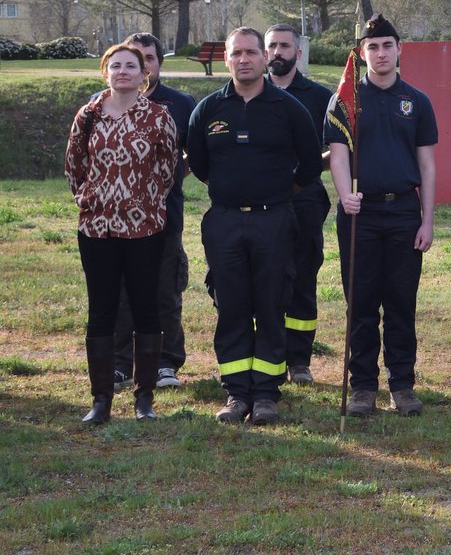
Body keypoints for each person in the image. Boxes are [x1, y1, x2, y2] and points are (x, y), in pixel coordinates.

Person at [187, 27, 322, 425]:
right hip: (225, 222)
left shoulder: (288, 107)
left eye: (251, 52)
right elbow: (198, 164)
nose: (244, 60)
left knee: (270, 304)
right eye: (236, 53)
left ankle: (265, 393)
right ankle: (236, 394)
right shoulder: (208, 110)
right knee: (231, 307)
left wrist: (279, 191)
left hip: (274, 220)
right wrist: (232, 191)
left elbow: (311, 164)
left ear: (264, 58)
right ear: (226, 59)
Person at [328, 14, 437, 417]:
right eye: (372, 47)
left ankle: (402, 384)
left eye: (387, 45)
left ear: (399, 49)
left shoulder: (417, 102)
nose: (380, 53)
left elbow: (427, 166)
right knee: (360, 301)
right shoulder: (347, 99)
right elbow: (338, 154)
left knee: (400, 302)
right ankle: (363, 387)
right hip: (361, 213)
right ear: (362, 53)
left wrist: (427, 220)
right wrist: (345, 196)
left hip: (404, 213)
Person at [65, 44, 177, 424]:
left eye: (132, 65)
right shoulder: (89, 115)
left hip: (143, 227)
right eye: (116, 66)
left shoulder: (158, 116)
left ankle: (144, 399)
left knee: (146, 307)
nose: (123, 71)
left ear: (144, 73)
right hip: (96, 228)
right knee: (102, 310)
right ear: (105, 72)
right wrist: (89, 198)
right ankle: (101, 400)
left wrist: (144, 202)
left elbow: (167, 168)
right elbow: (74, 164)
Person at [108, 33, 194, 392]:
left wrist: (167, 178)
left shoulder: (180, 104)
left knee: (164, 293)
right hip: (115, 223)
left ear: (158, 64)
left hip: (163, 218)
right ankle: (120, 364)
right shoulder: (103, 107)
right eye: (133, 58)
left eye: (148, 59)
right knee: (121, 293)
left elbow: (195, 154)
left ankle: (165, 363)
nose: (141, 66)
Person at [265, 23, 333, 385]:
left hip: (305, 199)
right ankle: (271, 356)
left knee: (303, 277)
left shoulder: (320, 97)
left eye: (285, 46)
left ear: (298, 53)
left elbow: (335, 150)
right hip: (263, 202)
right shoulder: (252, 95)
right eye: (272, 46)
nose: (278, 52)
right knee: (267, 279)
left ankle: (300, 360)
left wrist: (302, 171)